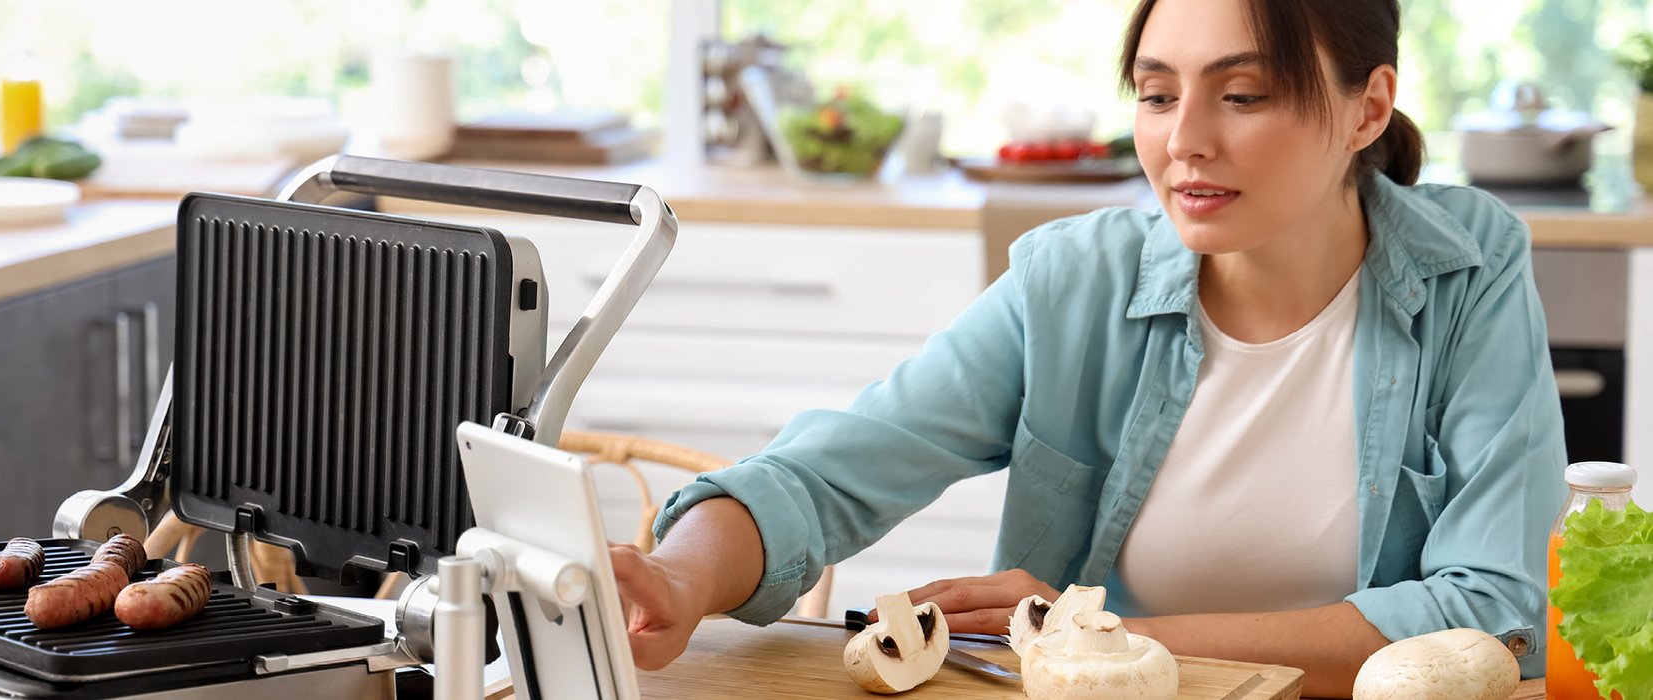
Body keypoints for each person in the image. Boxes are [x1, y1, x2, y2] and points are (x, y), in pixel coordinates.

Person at [610, 0, 1566, 695]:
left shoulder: (1467, 268)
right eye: (1156, 96)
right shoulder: (1073, 282)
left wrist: (1097, 634)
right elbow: (824, 477)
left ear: (1367, 108)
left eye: (1243, 94)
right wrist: (681, 575)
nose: (1185, 140)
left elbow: (1492, 612)